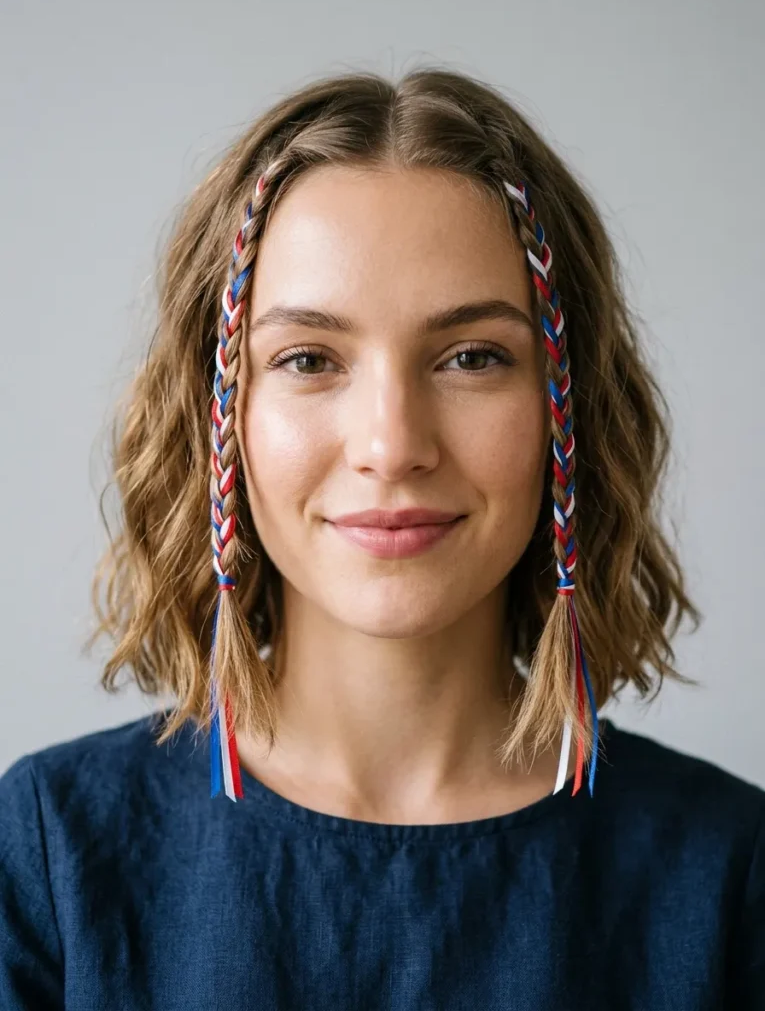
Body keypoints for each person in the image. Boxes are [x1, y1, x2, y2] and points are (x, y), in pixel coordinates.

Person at [0, 66, 762, 1010]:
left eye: (472, 356)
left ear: (571, 412)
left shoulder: (730, 874)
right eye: (309, 359)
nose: (391, 446)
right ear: (216, 417)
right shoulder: (48, 854)